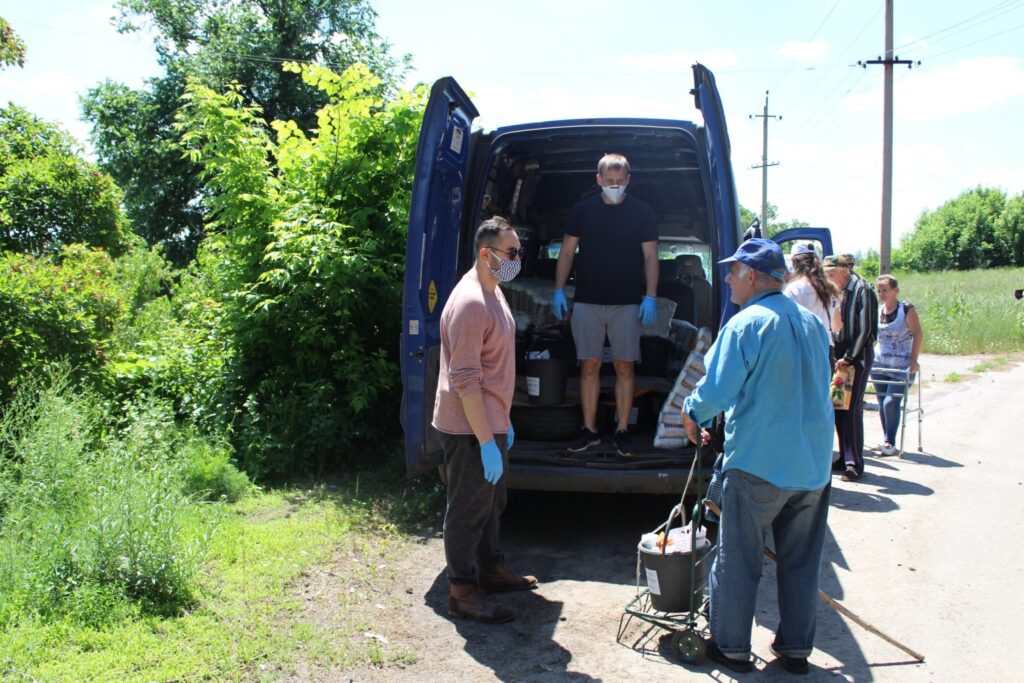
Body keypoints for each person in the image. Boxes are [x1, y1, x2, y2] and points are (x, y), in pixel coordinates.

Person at [681, 239, 834, 675]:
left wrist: (691, 411)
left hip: (759, 464)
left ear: (751, 275)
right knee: (802, 561)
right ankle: (796, 650)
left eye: (732, 271)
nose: (726, 278)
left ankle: (730, 647)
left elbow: (716, 390)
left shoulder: (748, 323)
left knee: (738, 558)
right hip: (813, 466)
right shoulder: (811, 323)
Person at [432, 216, 537, 623]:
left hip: (490, 422)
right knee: (467, 509)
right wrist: (486, 440)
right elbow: (465, 379)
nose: (516, 260)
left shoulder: (494, 291)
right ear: (485, 253)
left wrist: (502, 423)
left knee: (492, 503)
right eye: (511, 253)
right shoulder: (472, 302)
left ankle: (490, 569)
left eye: (518, 252)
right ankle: (461, 591)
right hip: (468, 428)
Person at [551, 153, 658, 457]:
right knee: (590, 365)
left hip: (626, 302)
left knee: (625, 366)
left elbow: (651, 257)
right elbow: (567, 253)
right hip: (586, 300)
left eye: (620, 182)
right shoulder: (582, 211)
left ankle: (622, 430)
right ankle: (589, 430)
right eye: (609, 181)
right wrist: (559, 290)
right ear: (598, 180)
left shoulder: (642, 212)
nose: (615, 186)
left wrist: (650, 295)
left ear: (628, 180)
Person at [823, 254, 878, 482]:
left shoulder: (862, 289)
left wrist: (848, 356)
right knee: (838, 406)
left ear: (844, 270)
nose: (829, 279)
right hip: (841, 354)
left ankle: (854, 463)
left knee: (852, 408)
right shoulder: (839, 290)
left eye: (832, 274)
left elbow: (865, 330)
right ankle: (844, 457)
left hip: (856, 355)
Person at [872, 274, 924, 455]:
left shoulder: (906, 310)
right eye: (879, 291)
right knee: (881, 401)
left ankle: (889, 441)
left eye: (885, 290)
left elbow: (918, 333)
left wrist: (913, 359)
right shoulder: (878, 310)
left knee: (890, 402)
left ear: (896, 291)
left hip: (901, 366)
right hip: (880, 363)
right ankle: (888, 440)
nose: (882, 294)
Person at [784, 242, 842, 368]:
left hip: (803, 352)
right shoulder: (831, 288)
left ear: (794, 262)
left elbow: (786, 327)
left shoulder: (794, 289)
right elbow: (837, 326)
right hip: (826, 350)